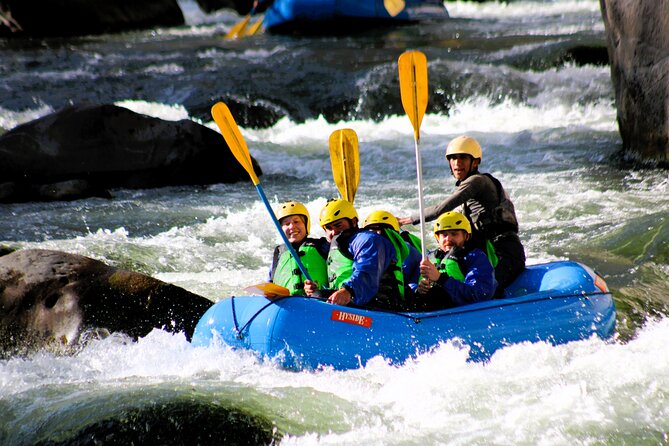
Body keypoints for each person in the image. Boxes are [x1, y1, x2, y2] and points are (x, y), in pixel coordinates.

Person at [398, 135, 525, 293]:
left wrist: (408, 219)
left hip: (505, 253)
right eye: (453, 158)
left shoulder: (477, 182)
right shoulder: (471, 187)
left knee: (489, 292)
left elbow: (441, 209)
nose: (458, 163)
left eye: (463, 158)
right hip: (491, 250)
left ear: (476, 162)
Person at [304, 199, 403, 309]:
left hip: (381, 305)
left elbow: (367, 270)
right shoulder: (336, 247)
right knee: (317, 297)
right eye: (329, 228)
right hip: (355, 302)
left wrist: (348, 290)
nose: (334, 232)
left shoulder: (368, 240)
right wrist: (316, 289)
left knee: (319, 297)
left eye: (338, 225)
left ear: (354, 221)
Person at [416, 211, 497, 310]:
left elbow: (480, 294)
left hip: (459, 312)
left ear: (466, 236)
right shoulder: (428, 258)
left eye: (454, 234)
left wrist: (441, 279)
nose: (448, 238)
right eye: (444, 235)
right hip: (429, 311)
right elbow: (412, 284)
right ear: (438, 238)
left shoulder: (475, 257)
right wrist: (419, 290)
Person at [268, 201, 329, 295]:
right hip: (288, 304)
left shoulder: (322, 245)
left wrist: (322, 291)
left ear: (306, 224)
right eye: (286, 224)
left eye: (296, 222)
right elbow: (270, 283)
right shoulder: (279, 253)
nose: (292, 227)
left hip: (319, 301)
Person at [363, 210, 422, 297]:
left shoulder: (410, 254)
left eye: (382, 230)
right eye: (372, 230)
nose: (378, 234)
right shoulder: (362, 252)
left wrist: (416, 290)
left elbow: (417, 280)